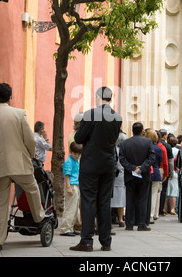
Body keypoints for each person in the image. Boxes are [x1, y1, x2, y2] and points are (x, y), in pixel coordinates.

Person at [0, 83, 46, 251]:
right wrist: (30, 153)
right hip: (19, 163)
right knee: (32, 188)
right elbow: (31, 140)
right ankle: (39, 218)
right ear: (10, 97)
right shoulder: (19, 114)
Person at [70, 86, 122, 252]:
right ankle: (106, 242)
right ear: (111, 98)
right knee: (104, 202)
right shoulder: (117, 117)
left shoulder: (90, 114)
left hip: (91, 164)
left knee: (88, 201)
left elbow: (79, 138)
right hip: (108, 164)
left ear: (98, 97)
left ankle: (86, 241)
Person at [119, 122, 155, 231]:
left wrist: (132, 168)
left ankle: (129, 224)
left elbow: (122, 159)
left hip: (130, 175)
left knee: (129, 199)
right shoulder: (148, 142)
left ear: (132, 130)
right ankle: (141, 223)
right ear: (142, 131)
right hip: (143, 175)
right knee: (142, 200)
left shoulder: (125, 143)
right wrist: (142, 168)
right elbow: (152, 157)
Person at [60, 142, 83, 236]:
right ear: (70, 152)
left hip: (76, 185)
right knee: (70, 208)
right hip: (72, 186)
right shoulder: (69, 162)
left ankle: (70, 227)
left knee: (75, 208)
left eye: (78, 154)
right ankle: (65, 229)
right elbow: (67, 176)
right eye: (75, 153)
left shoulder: (75, 161)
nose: (77, 155)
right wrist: (68, 187)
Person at [145, 129, 163, 223]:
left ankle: (143, 214)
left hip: (145, 171)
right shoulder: (158, 148)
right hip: (155, 172)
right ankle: (151, 215)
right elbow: (160, 161)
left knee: (144, 196)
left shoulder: (144, 146)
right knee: (153, 196)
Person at [111, 131, 127, 227]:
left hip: (114, 176)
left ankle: (111, 219)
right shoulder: (124, 151)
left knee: (112, 198)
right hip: (121, 176)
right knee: (121, 198)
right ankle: (120, 218)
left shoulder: (114, 149)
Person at [165, 135, 180, 215]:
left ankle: (164, 208)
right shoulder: (178, 151)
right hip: (174, 171)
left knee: (166, 191)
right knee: (174, 191)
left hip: (167, 171)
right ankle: (172, 209)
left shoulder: (167, 149)